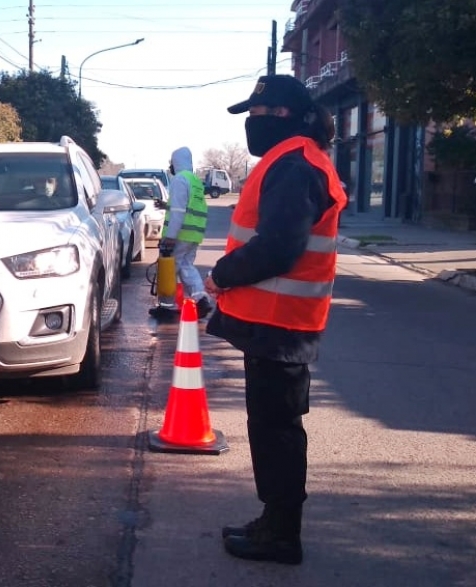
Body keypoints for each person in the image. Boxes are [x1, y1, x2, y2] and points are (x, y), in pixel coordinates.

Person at [204, 74, 348, 565]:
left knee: (277, 429)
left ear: (282, 115)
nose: (250, 124)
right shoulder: (292, 160)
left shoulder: (295, 164)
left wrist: (223, 274)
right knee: (271, 425)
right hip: (275, 323)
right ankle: (273, 522)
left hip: (281, 323)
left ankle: (282, 534)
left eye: (256, 114)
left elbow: (280, 248)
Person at [149, 146, 211, 319]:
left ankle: (166, 306)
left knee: (169, 269)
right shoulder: (195, 181)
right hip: (194, 234)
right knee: (186, 267)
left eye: (171, 162)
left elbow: (178, 211)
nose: (171, 166)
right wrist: (165, 205)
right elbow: (187, 206)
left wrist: (170, 237)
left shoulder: (179, 180)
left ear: (176, 162)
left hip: (180, 234)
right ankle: (201, 299)